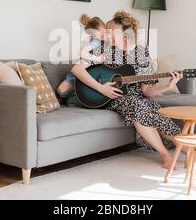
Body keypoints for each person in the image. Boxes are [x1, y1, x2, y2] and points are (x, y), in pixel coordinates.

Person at [71, 11, 182, 169]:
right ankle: (165, 154)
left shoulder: (141, 54)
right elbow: (77, 70)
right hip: (110, 97)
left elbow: (147, 90)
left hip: (138, 99)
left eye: (112, 32)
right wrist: (101, 88)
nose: (108, 36)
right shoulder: (104, 49)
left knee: (158, 114)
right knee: (136, 105)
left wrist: (167, 86)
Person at [57, 14, 106, 97]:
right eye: (101, 36)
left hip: (90, 72)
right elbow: (82, 53)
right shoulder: (96, 42)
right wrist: (98, 58)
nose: (105, 36)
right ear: (93, 36)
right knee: (61, 91)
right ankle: (76, 91)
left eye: (105, 32)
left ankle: (79, 93)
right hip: (80, 71)